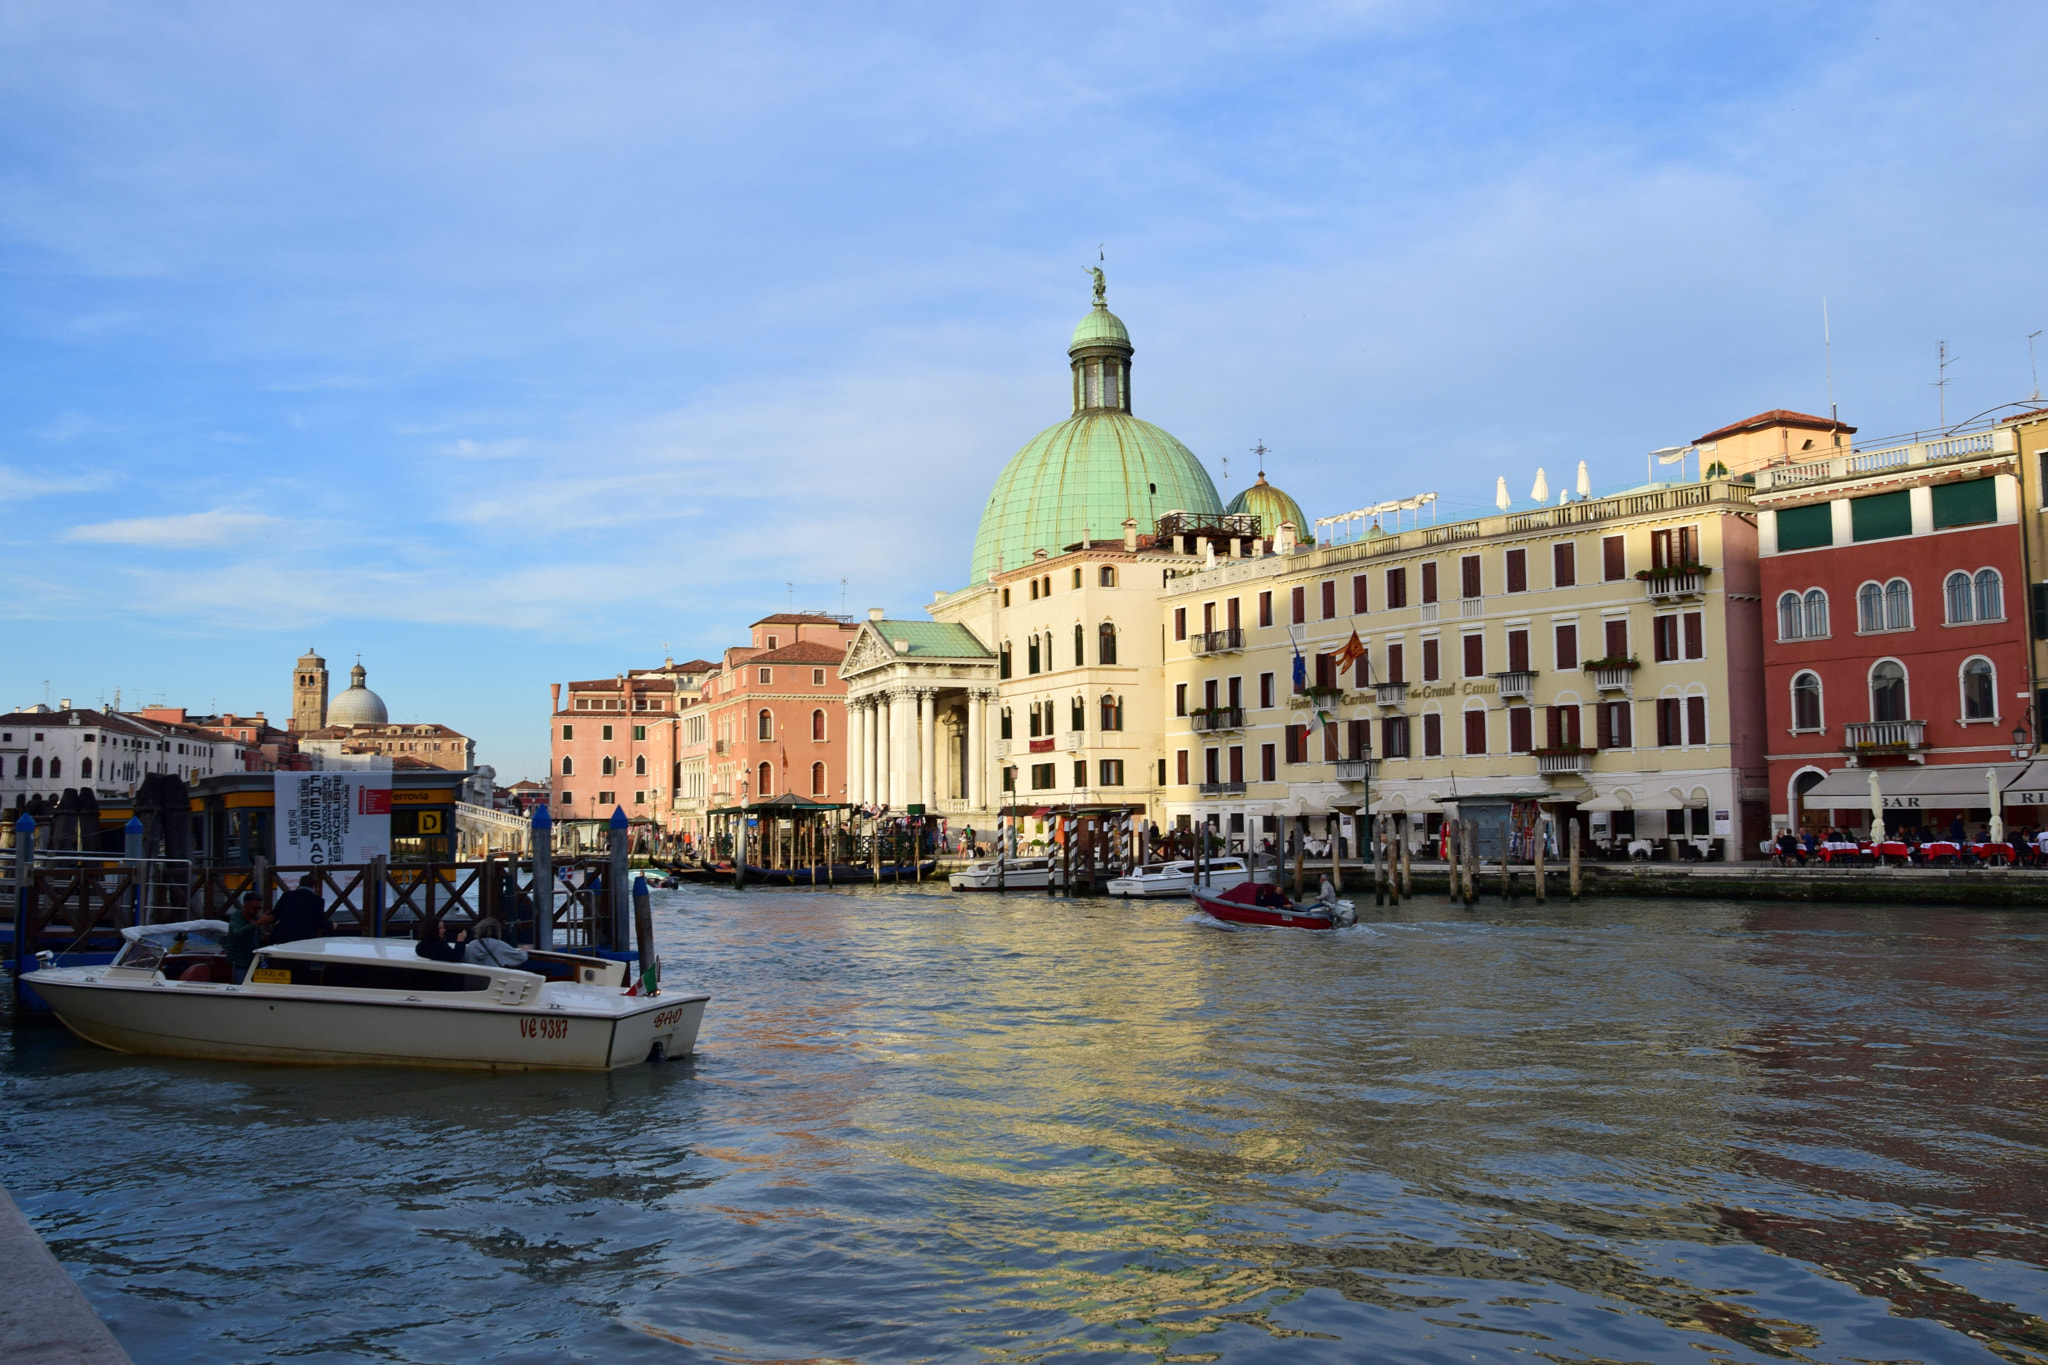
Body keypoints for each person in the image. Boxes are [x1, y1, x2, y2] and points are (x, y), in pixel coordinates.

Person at [225, 891, 273, 981]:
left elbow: (258, 938)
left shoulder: (255, 919)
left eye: (259, 908)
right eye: (255, 908)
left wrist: (265, 937)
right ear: (246, 906)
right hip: (240, 964)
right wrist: (258, 923)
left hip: (254, 963)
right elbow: (238, 932)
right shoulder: (237, 917)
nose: (257, 911)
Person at [271, 875, 332, 944]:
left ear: (300, 884)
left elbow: (275, 915)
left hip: (284, 936)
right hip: (304, 939)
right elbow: (320, 921)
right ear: (313, 886)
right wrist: (331, 925)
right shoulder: (317, 900)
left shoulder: (286, 896)